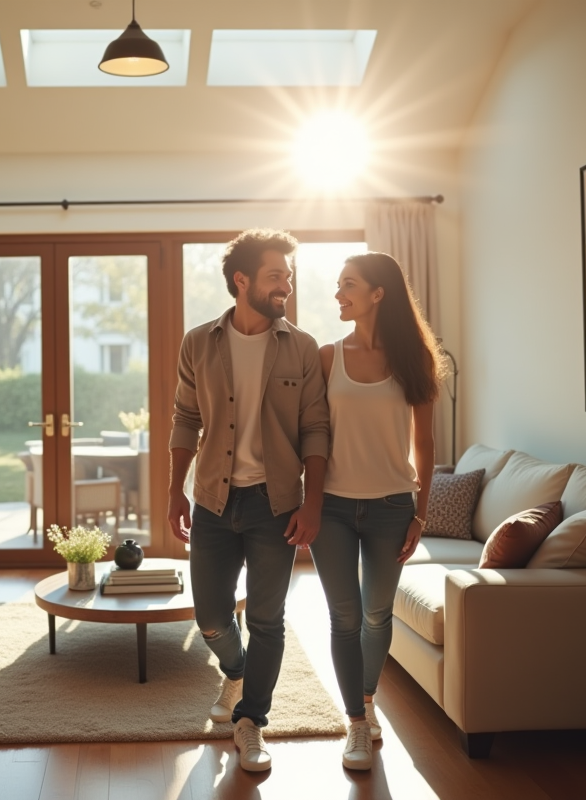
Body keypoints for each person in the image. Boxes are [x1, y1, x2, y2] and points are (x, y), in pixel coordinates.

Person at [167, 228, 329, 773]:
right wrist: (174, 491)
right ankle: (233, 671)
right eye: (276, 275)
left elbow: (315, 429)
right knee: (211, 614)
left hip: (276, 503)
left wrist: (313, 503)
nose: (287, 284)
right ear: (242, 280)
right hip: (212, 499)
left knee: (267, 618)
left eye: (289, 275)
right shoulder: (199, 341)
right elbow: (185, 418)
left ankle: (251, 721)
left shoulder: (302, 347)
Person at [310, 251, 444, 771]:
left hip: (393, 507)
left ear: (377, 293)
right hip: (335, 509)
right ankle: (358, 723)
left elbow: (426, 445)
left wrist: (420, 515)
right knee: (344, 617)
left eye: (348, 284)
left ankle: (367, 700)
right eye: (338, 284)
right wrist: (311, 500)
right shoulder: (327, 357)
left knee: (375, 613)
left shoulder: (415, 360)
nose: (339, 294)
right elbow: (313, 436)